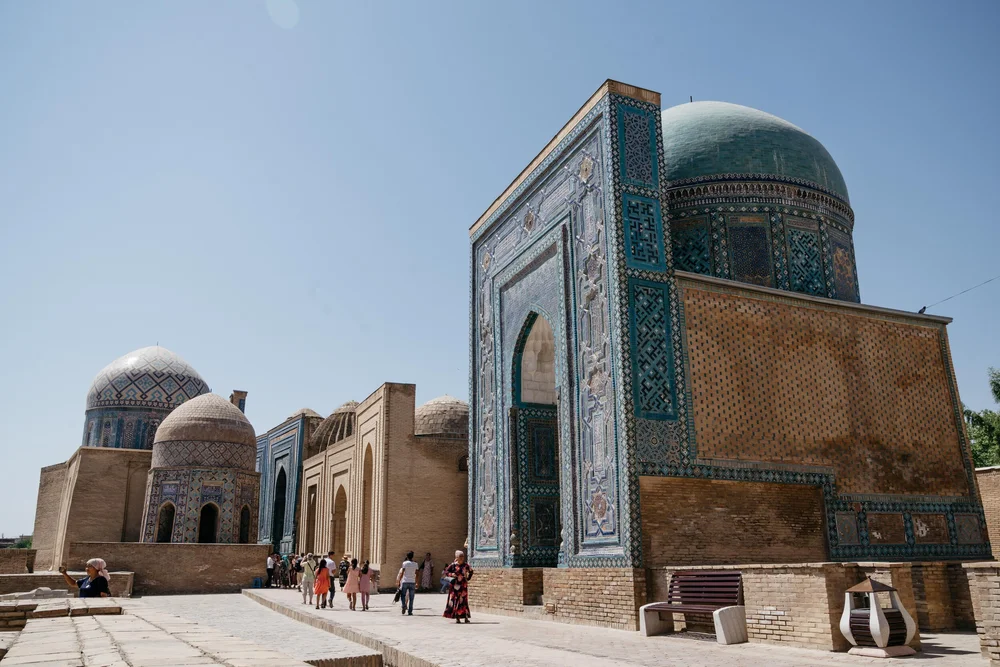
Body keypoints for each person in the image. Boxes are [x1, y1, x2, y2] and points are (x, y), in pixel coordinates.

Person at [442, 550, 474, 624]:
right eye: (460, 556)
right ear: (456, 557)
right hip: (455, 586)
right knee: (456, 601)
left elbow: (471, 571)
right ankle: (457, 618)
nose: (462, 558)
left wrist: (468, 578)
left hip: (463, 586)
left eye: (463, 556)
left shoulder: (465, 565)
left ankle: (466, 617)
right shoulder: (453, 565)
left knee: (463, 601)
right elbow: (446, 572)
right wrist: (452, 574)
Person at [396, 551, 419, 616]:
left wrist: (399, 581)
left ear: (407, 556)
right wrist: (417, 582)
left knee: (403, 595)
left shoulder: (404, 563)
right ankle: (410, 611)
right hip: (412, 582)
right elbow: (417, 574)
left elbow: (402, 572)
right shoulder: (415, 564)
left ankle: (403, 605)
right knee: (411, 597)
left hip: (405, 581)